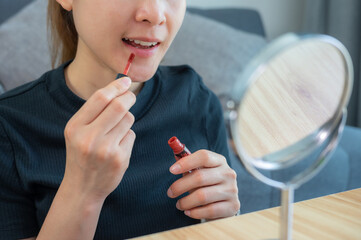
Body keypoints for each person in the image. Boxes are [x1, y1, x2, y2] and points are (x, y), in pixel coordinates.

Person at [0, 0, 240, 239]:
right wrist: (83, 190)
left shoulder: (195, 96)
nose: (156, 15)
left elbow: (222, 229)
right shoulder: (8, 125)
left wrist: (227, 218)